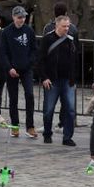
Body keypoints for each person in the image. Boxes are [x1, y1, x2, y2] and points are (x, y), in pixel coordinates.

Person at [37, 16, 78, 146]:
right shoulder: (47, 39)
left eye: (68, 26)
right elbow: (40, 60)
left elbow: (75, 59)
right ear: (57, 26)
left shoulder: (71, 39)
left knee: (70, 110)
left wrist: (74, 78)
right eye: (64, 26)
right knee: (49, 109)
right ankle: (47, 133)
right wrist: (44, 77)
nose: (66, 29)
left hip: (68, 80)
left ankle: (67, 137)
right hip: (52, 80)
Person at [0, 6, 37, 138]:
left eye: (23, 17)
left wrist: (30, 63)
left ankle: (30, 126)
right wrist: (9, 68)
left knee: (30, 95)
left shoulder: (29, 31)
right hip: (11, 69)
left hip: (26, 69)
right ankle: (15, 125)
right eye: (19, 17)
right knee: (13, 98)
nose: (22, 20)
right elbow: (2, 53)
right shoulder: (6, 32)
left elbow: (33, 49)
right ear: (14, 17)